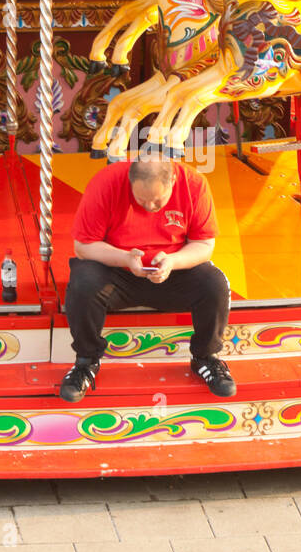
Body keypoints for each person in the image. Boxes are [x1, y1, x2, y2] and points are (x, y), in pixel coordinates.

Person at [59, 155, 235, 402]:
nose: (149, 207)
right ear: (129, 181)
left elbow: (204, 245)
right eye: (141, 199)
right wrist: (125, 259)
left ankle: (206, 358)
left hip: (173, 271)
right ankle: (86, 362)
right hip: (118, 271)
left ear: (173, 180)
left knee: (214, 283)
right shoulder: (106, 183)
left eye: (158, 200)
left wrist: (173, 262)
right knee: (83, 281)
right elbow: (83, 246)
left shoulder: (194, 184)